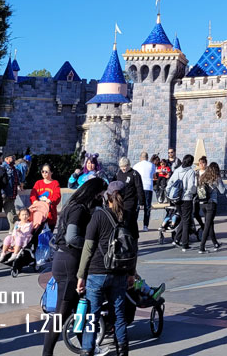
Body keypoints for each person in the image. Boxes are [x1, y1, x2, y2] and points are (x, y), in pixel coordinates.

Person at [41, 178, 108, 356]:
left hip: (66, 260)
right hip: (68, 262)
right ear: (94, 192)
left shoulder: (74, 206)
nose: (102, 197)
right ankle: (47, 353)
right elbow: (71, 237)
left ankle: (87, 347)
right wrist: (89, 246)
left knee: (79, 308)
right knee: (61, 313)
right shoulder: (79, 209)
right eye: (101, 193)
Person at [77, 180, 139, 356]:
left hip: (97, 271)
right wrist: (131, 273)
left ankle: (87, 349)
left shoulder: (98, 216)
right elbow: (134, 248)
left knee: (92, 315)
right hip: (120, 271)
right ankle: (122, 351)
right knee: (119, 314)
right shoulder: (129, 216)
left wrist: (81, 275)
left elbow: (88, 248)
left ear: (107, 197)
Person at [166, 155, 197, 251]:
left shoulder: (177, 170)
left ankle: (176, 239)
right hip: (186, 199)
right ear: (191, 162)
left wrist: (169, 193)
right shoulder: (191, 171)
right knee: (186, 221)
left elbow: (169, 183)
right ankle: (185, 244)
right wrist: (191, 193)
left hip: (177, 199)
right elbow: (191, 186)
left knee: (183, 219)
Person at [197, 162, 226, 253]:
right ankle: (202, 247)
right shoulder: (216, 178)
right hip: (211, 204)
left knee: (210, 223)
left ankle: (215, 243)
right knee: (207, 225)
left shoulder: (203, 177)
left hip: (203, 203)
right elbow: (222, 191)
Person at [29, 164, 62, 228]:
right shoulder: (38, 183)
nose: (44, 173)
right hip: (38, 215)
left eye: (46, 172)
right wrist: (34, 201)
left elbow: (57, 196)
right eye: (42, 171)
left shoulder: (55, 183)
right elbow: (32, 194)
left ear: (51, 172)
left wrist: (51, 201)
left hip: (50, 215)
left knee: (48, 236)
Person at [132, 152, 156, 231]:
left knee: (137, 206)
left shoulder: (136, 165)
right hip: (148, 187)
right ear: (147, 157)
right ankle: (145, 226)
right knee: (147, 207)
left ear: (140, 157)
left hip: (139, 188)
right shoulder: (152, 165)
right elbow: (154, 175)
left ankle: (134, 224)